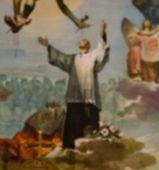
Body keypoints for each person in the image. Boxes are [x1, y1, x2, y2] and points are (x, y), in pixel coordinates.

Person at [38, 21, 109, 149]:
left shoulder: (93, 56)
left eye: (85, 42)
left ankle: (91, 149)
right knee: (73, 123)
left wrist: (103, 33)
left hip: (89, 97)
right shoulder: (72, 59)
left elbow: (101, 51)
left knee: (90, 124)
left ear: (88, 46)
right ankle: (70, 148)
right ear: (79, 46)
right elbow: (59, 57)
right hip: (75, 96)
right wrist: (48, 45)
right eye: (81, 42)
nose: (82, 42)